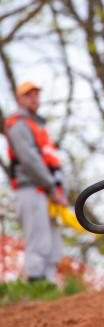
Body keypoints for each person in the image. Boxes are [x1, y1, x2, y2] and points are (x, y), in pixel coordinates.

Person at [4, 82, 67, 283]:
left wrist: (59, 189)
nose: (33, 99)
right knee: (38, 242)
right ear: (19, 99)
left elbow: (51, 160)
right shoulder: (18, 124)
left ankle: (49, 288)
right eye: (28, 95)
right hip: (30, 189)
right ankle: (36, 286)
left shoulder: (38, 125)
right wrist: (51, 186)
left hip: (47, 191)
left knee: (53, 244)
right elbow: (29, 159)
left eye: (36, 94)